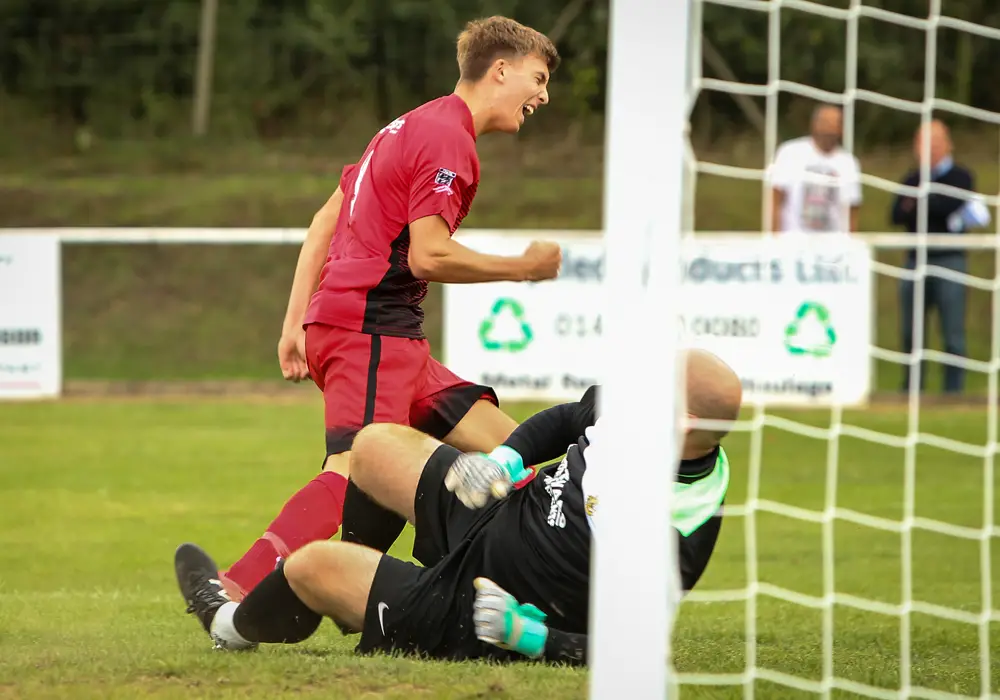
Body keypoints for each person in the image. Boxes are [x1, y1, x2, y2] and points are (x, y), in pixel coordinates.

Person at [216, 16, 563, 602]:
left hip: (379, 333)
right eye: (538, 77)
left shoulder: (403, 126)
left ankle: (560, 584)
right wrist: (521, 268)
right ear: (500, 70)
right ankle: (234, 590)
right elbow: (428, 256)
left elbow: (326, 220)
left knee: (513, 454)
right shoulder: (448, 138)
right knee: (352, 470)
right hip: (368, 329)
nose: (544, 94)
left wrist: (295, 320)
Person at [174, 349, 742, 665]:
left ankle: (229, 624)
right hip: (498, 511)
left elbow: (637, 649)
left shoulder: (679, 527)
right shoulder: (634, 408)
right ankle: (363, 595)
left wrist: (534, 639)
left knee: (310, 565)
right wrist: (505, 462)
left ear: (683, 423)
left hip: (483, 607)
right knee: (373, 445)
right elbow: (569, 418)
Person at [891, 119, 989, 395]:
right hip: (915, 262)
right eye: (922, 143)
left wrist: (920, 204)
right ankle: (911, 390)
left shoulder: (961, 176)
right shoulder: (911, 178)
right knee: (911, 333)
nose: (928, 149)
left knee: (953, 333)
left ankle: (953, 393)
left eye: (934, 143)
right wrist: (927, 204)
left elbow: (947, 205)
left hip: (950, 260)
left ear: (947, 145)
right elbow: (897, 214)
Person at [768, 104, 863, 235]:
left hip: (832, 245)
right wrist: (774, 238)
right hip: (794, 242)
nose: (830, 129)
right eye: (826, 123)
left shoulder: (848, 163)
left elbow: (852, 210)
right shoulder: (790, 153)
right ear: (814, 124)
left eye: (836, 124)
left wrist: (850, 243)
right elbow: (776, 199)